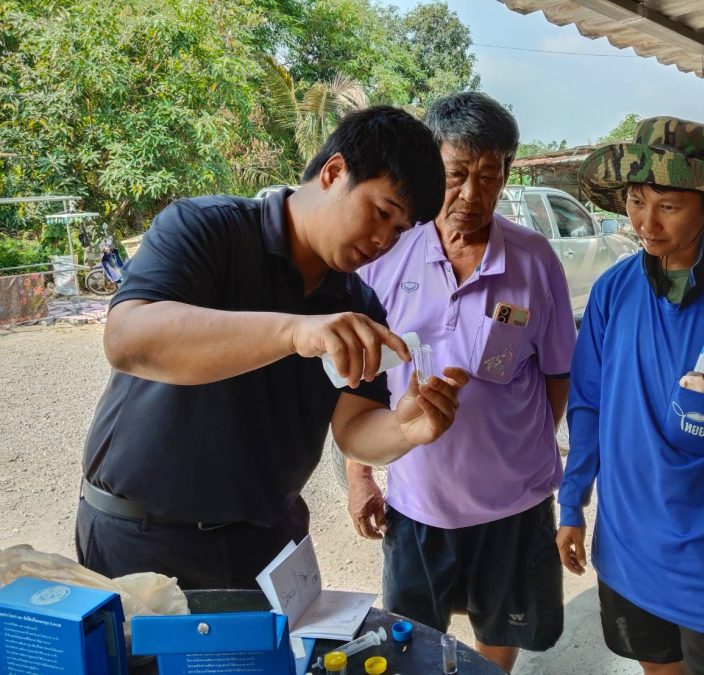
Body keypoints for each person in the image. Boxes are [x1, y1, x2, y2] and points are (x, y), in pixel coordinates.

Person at [76, 106, 470, 590]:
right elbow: (127, 338)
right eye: (382, 212)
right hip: (140, 537)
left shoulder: (358, 303)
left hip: (268, 545)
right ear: (334, 172)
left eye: (399, 230)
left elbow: (353, 430)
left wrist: (406, 429)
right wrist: (294, 333)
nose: (383, 240)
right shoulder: (206, 229)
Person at [556, 117, 704, 675]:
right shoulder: (613, 291)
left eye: (669, 206)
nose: (647, 223)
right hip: (626, 548)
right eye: (637, 201)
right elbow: (588, 404)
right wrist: (573, 503)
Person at [344, 92, 576, 673]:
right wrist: (359, 474)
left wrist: (521, 446)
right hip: (417, 499)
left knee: (498, 640)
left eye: (489, 178)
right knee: (410, 641)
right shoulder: (386, 252)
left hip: (513, 503)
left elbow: (556, 373)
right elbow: (359, 384)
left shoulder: (533, 259)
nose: (471, 195)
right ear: (430, 169)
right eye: (455, 175)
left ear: (504, 178)